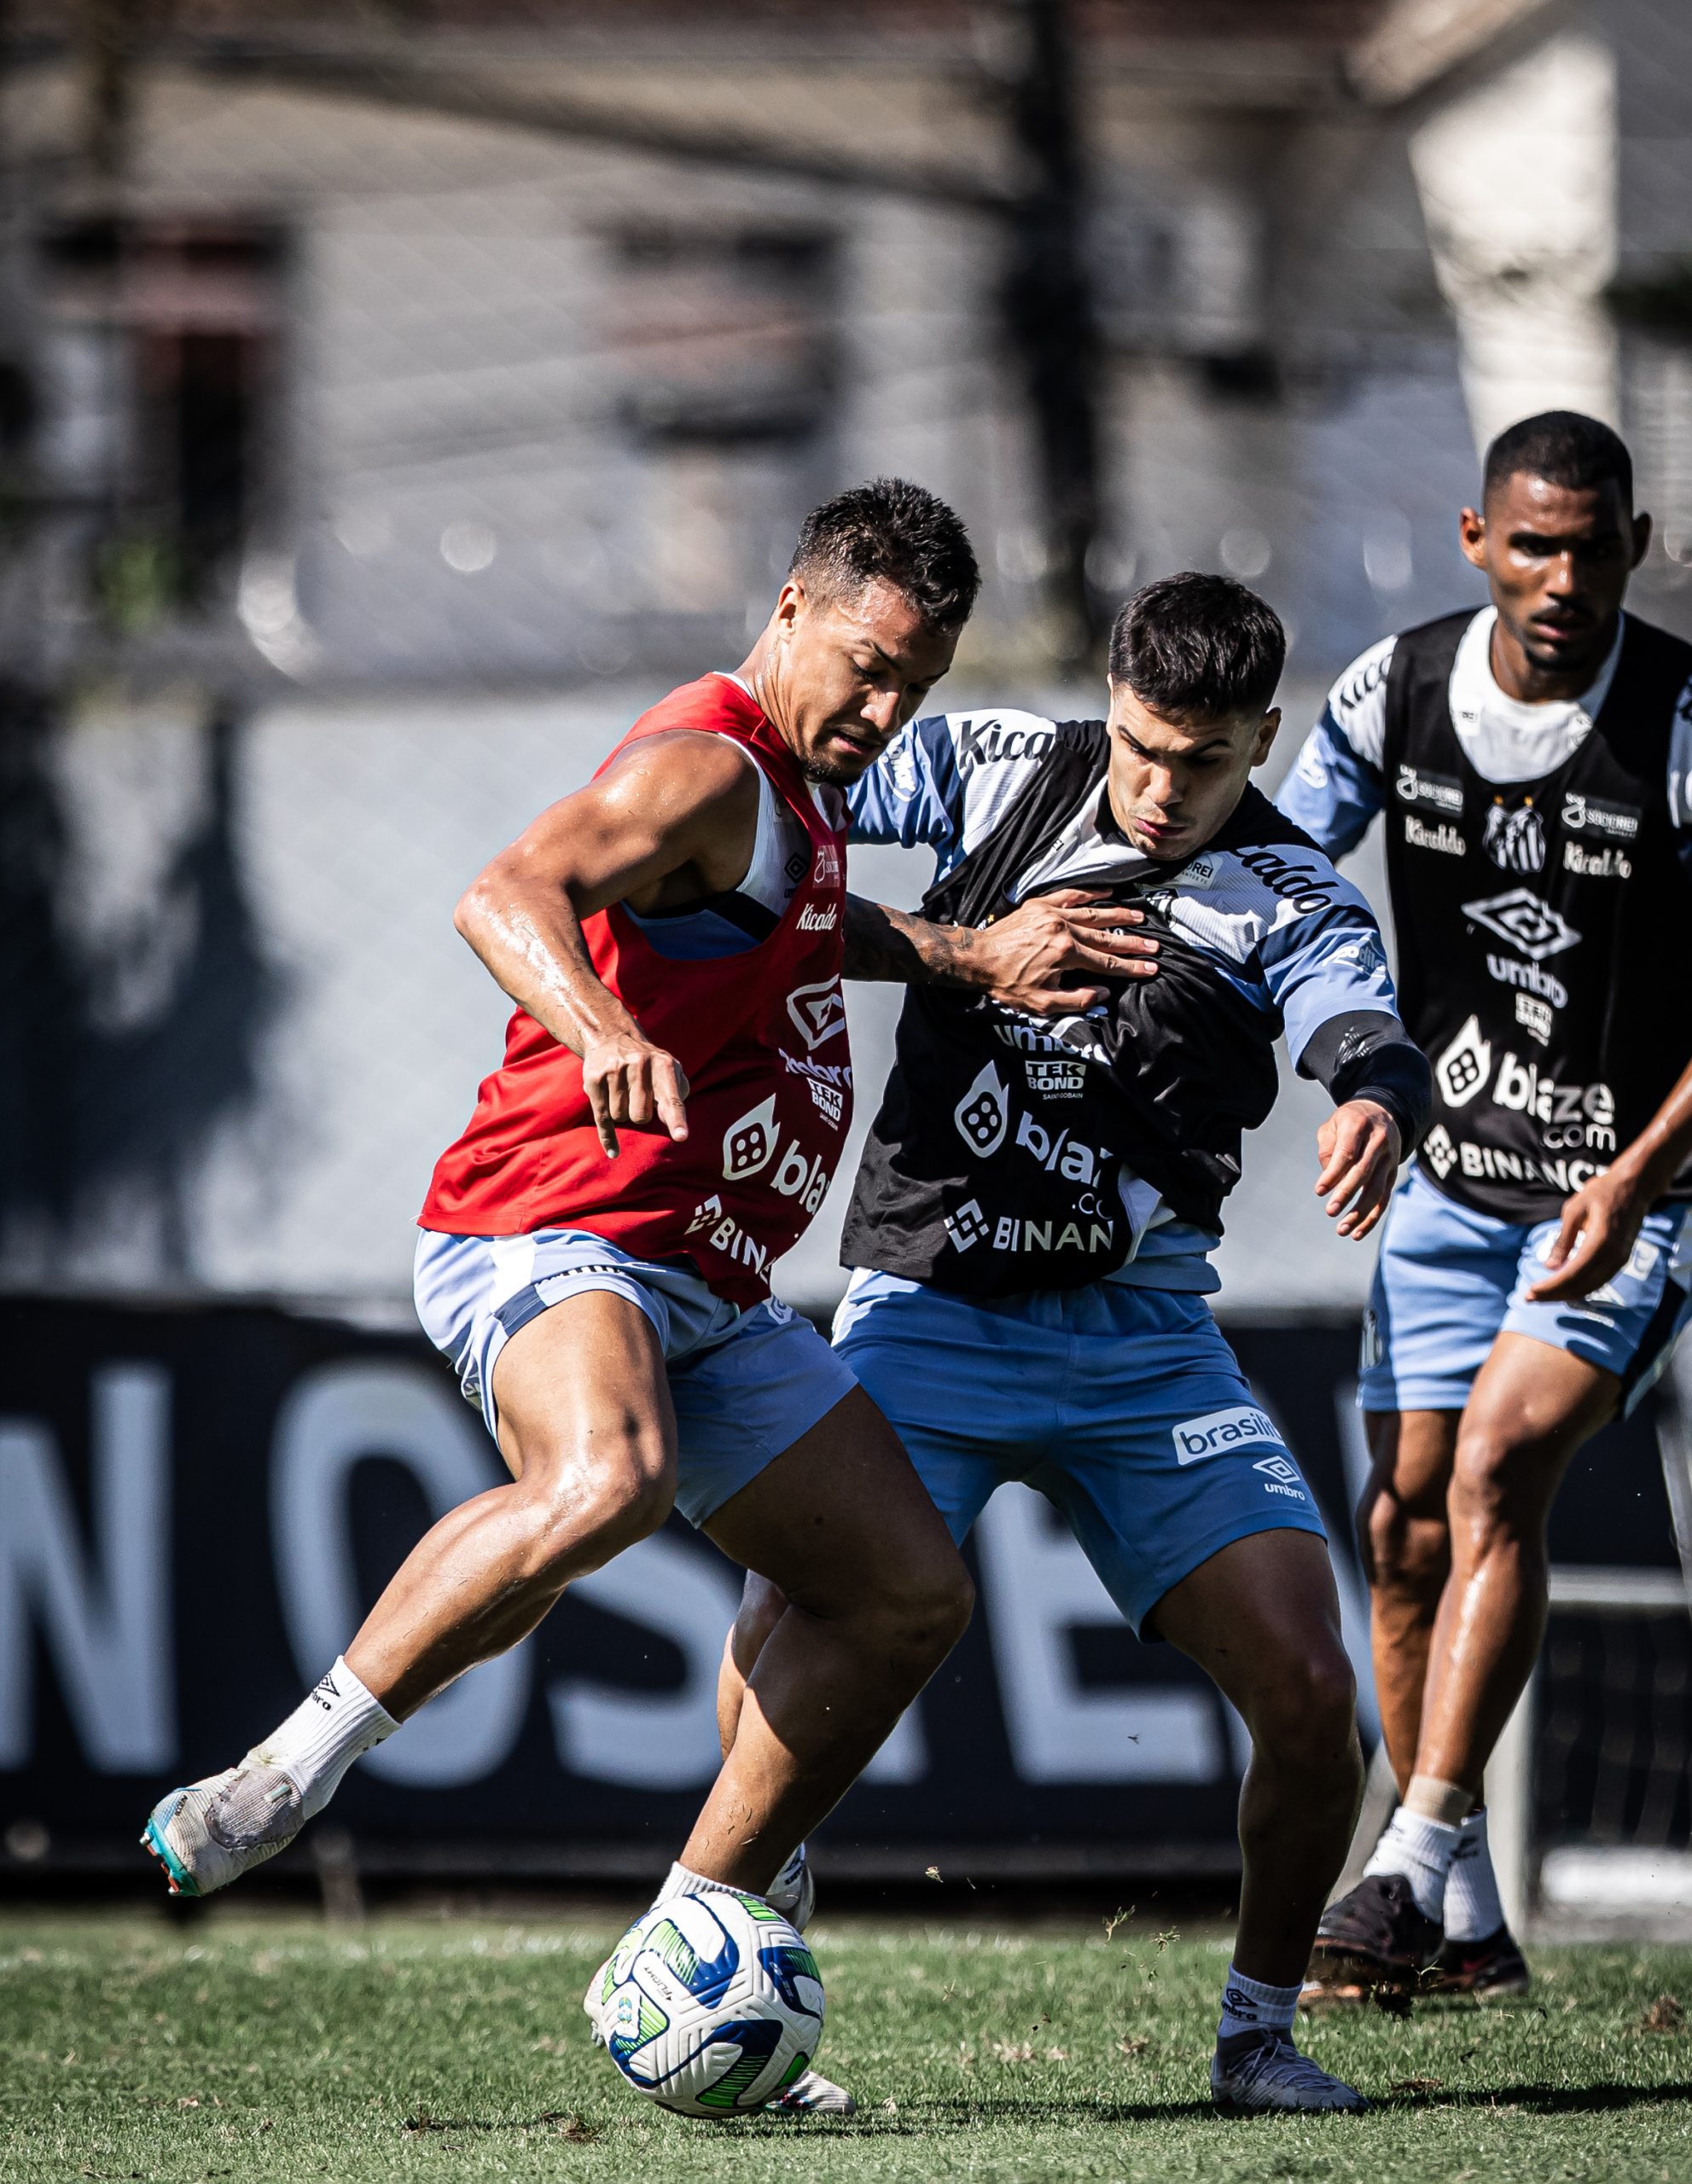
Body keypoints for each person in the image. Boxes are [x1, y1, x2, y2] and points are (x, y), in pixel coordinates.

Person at [142, 479, 1131, 2117]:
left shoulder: (797, 800)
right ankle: (283, 1776)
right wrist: (601, 1023)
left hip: (705, 1282)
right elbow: (509, 890)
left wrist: (963, 954)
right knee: (607, 1480)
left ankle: (696, 1932)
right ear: (797, 607)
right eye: (871, 666)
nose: (886, 714)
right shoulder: (708, 761)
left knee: (908, 1596)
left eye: (920, 687)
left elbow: (806, 923)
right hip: (551, 1231)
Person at [725, 572, 1433, 2115]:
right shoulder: (991, 768)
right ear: (1109, 699)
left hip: (1146, 1347)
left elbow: (1363, 1027)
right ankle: (749, 1961)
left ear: (1265, 738)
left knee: (1316, 1697)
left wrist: (1377, 1100)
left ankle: (1256, 2038)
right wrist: (929, 933)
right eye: (1140, 747)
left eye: (1206, 761)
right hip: (933, 1316)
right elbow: (788, 795)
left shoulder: (1292, 891)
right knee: (788, 1621)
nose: (1163, 789)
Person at [1276, 412, 1692, 2007]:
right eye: (1533, 543)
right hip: (1453, 1176)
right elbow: (1283, 880)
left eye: (1593, 547)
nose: (1563, 577)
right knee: (1403, 1526)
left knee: (1509, 1462)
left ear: (1637, 550)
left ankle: (1405, 1858)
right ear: (1474, 539)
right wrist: (1363, 1080)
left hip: (1633, 1188)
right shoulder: (1391, 693)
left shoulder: (1674, 718)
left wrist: (1640, 1173)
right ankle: (1463, 1928)